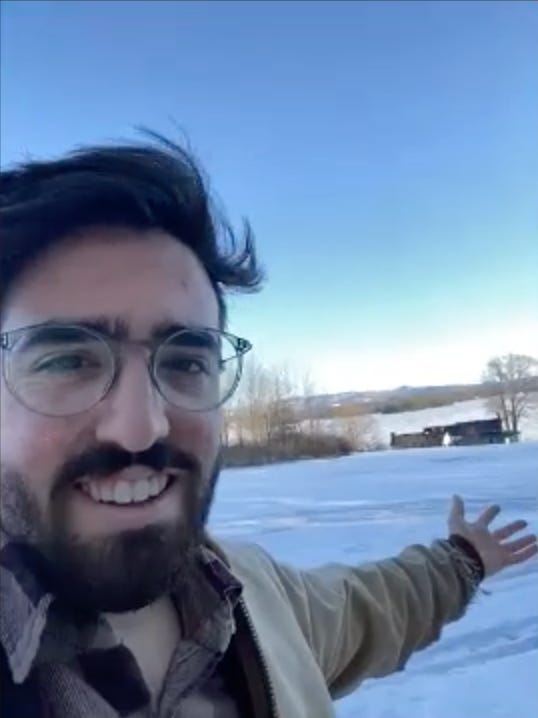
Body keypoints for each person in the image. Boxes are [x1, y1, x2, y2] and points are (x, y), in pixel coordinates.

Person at [0, 133, 536, 718]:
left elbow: (368, 607)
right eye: (67, 359)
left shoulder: (249, 596)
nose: (140, 428)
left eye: (185, 360)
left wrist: (463, 558)